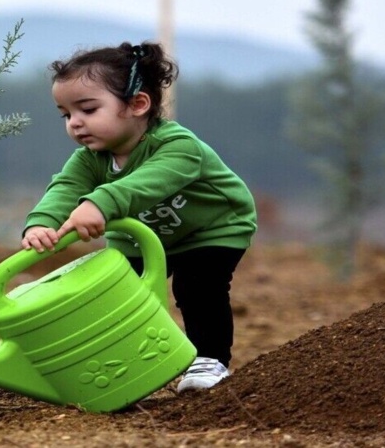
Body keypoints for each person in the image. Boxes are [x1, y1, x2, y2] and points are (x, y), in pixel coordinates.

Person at [21, 41, 258, 392]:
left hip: (210, 230)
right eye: (66, 114)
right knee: (114, 292)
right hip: (139, 234)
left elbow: (147, 184)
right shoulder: (90, 159)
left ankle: (210, 361)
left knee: (196, 287)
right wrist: (43, 221)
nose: (75, 123)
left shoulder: (178, 146)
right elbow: (65, 188)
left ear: (137, 104)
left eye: (87, 109)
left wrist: (99, 203)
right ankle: (123, 368)